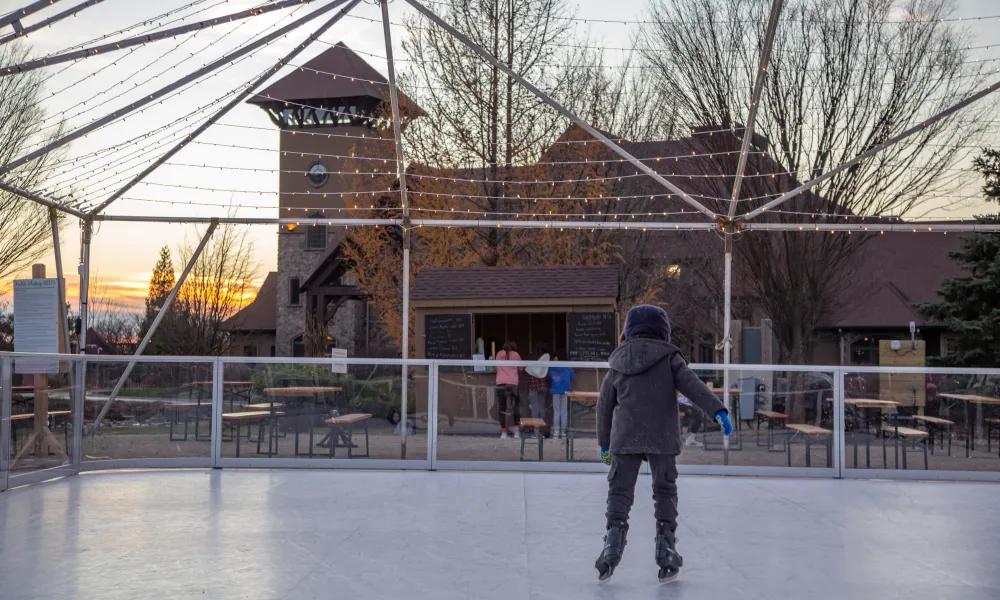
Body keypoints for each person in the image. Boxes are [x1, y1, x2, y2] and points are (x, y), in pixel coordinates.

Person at [594, 305, 733, 583]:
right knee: (665, 490)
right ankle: (666, 550)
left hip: (625, 436)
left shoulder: (618, 362)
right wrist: (718, 410)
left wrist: (605, 443)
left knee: (620, 492)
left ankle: (611, 548)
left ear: (628, 330)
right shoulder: (670, 359)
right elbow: (693, 387)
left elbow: (603, 405)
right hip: (662, 437)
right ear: (663, 331)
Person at [495, 341, 522, 439]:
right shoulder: (516, 355)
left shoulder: (498, 354)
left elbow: (496, 367)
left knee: (502, 408)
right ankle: (516, 432)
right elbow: (522, 368)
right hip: (513, 384)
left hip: (501, 383)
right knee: (515, 407)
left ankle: (503, 433)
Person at [547, 351, 575, 439]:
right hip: (565, 391)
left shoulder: (552, 366)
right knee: (564, 412)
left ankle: (556, 432)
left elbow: (547, 377)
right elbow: (573, 377)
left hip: (555, 391)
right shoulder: (567, 366)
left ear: (557, 357)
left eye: (554, 357)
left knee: (556, 411)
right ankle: (563, 433)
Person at [525, 344, 550, 424]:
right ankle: (542, 427)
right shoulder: (546, 358)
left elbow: (526, 369)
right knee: (542, 407)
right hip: (542, 385)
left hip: (533, 386)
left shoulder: (531, 357)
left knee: (534, 408)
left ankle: (536, 429)